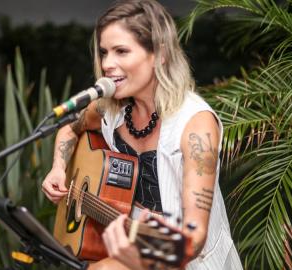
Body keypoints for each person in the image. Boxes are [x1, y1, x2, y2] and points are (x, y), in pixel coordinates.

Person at [42, 0, 243, 269]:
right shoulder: (108, 109)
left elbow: (194, 239)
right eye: (104, 52)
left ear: (160, 54)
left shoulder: (196, 125)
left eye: (121, 51)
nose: (107, 64)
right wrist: (58, 167)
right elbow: (69, 127)